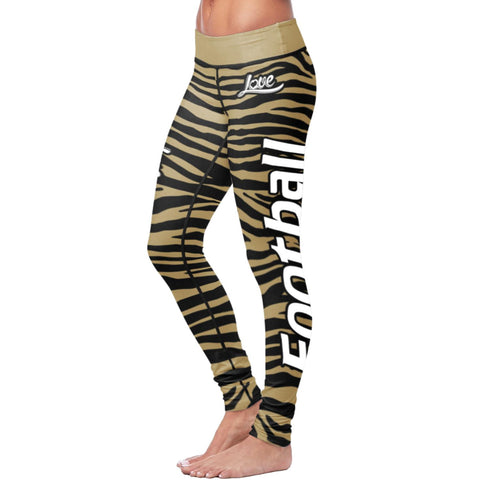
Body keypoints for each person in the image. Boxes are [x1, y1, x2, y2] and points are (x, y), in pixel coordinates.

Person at [147, 0, 316, 477]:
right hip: (207, 71)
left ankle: (274, 436)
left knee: (272, 256)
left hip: (269, 71)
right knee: (169, 244)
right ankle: (241, 400)